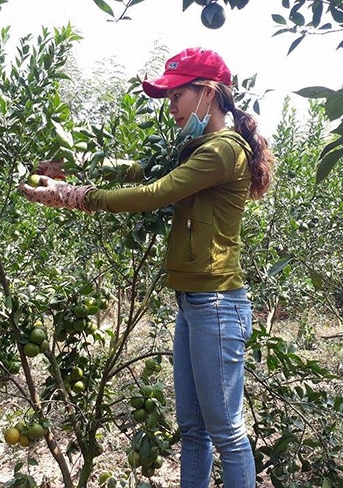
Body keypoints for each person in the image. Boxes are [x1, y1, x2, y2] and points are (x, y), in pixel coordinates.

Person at [19, 47, 273, 488]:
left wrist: (76, 196)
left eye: (177, 95)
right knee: (194, 430)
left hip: (216, 303)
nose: (171, 107)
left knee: (227, 433)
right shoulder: (197, 148)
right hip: (195, 302)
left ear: (208, 93)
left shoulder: (222, 151)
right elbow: (143, 170)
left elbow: (156, 191)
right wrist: (75, 166)